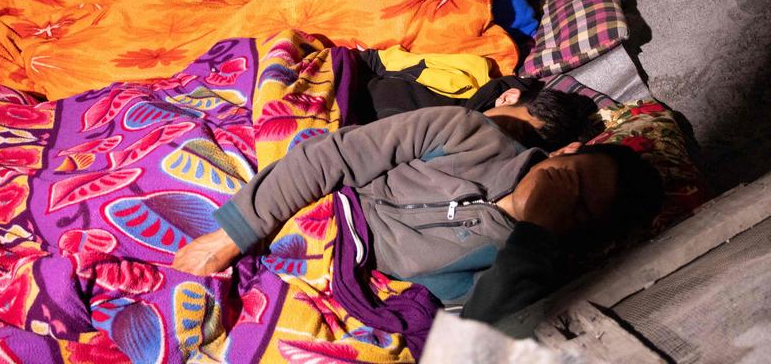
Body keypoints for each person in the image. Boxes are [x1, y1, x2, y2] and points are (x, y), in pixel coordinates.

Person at [172, 103, 663, 324]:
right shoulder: (466, 132)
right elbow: (330, 157)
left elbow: (476, 336)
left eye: (576, 206)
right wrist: (231, 236)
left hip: (345, 284)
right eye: (571, 176)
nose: (561, 192)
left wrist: (534, 237)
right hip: (315, 204)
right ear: (566, 152)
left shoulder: (523, 270)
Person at [354, 56, 603, 152]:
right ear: (507, 98)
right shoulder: (465, 75)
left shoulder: (463, 154)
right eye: (508, 128)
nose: (493, 137)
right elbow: (373, 58)